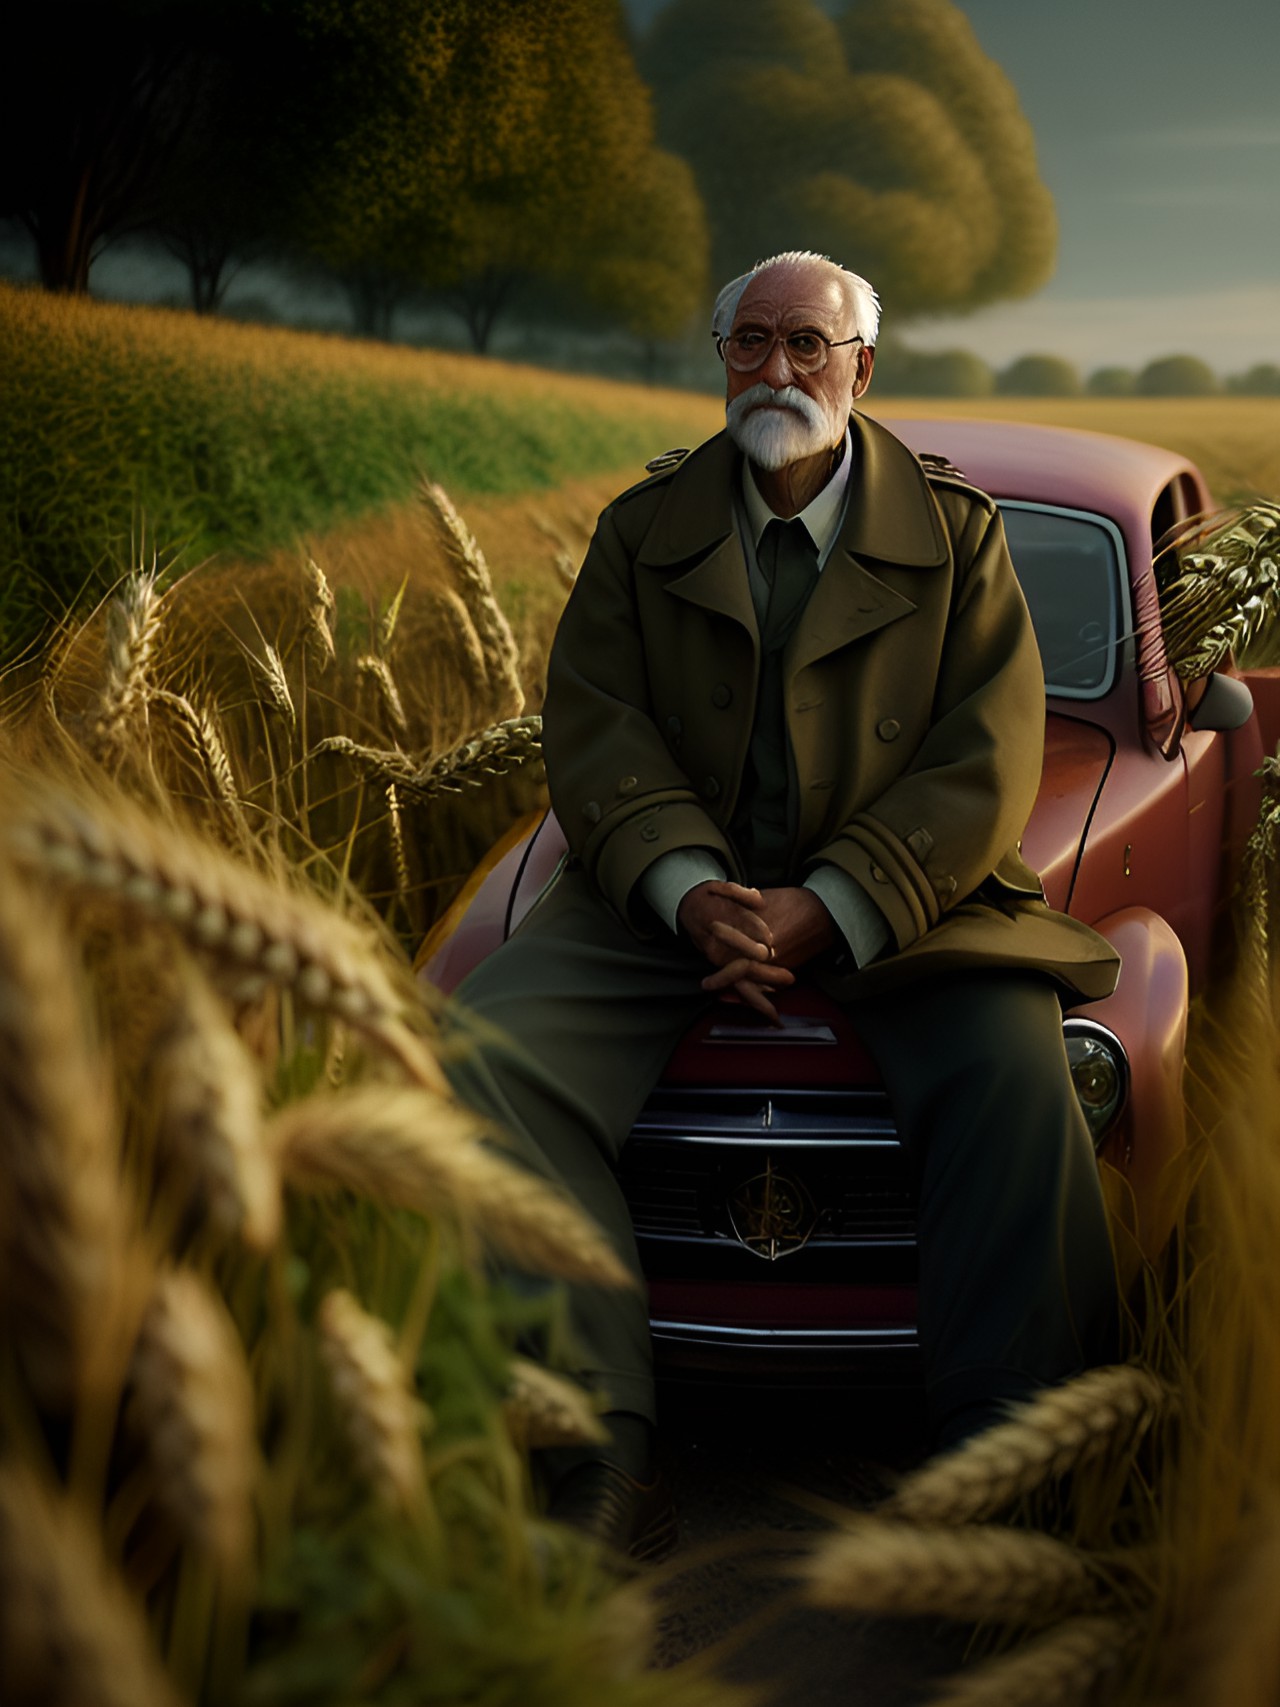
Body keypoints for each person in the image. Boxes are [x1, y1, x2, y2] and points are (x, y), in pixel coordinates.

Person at [443, 250, 1121, 1559]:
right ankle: (587, 1447)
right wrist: (694, 896)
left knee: (1019, 1075)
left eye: (810, 344)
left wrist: (837, 902)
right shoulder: (641, 534)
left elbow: (990, 753)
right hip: (657, 905)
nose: (779, 369)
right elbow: (596, 734)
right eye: (751, 341)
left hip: (907, 907)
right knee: (486, 1057)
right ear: (721, 362)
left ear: (863, 368)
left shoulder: (958, 534)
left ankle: (1013, 1472)